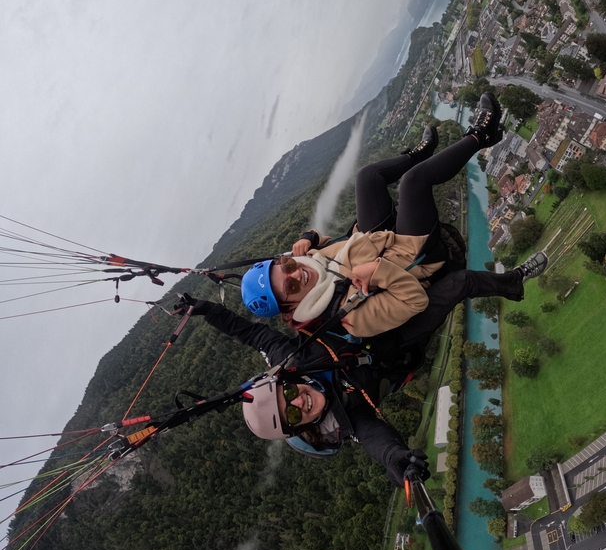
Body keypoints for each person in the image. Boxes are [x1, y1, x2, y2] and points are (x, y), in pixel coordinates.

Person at [179, 249, 546, 486]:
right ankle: (514, 284)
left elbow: (248, 333)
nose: (299, 402)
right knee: (459, 284)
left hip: (365, 319)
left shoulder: (291, 362)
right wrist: (400, 463)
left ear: (284, 382)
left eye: (287, 394)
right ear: (299, 428)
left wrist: (205, 309)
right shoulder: (343, 416)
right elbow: (376, 441)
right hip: (399, 346)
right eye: (292, 414)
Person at [241, 93, 506, 339]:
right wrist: (379, 272)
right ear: (290, 308)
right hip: (409, 260)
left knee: (368, 178)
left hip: (374, 239)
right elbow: (415, 300)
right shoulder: (348, 317)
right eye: (289, 288)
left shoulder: (308, 263)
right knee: (414, 183)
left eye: (286, 267)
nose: (296, 275)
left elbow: (330, 243)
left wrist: (311, 238)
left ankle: (419, 154)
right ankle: (481, 133)